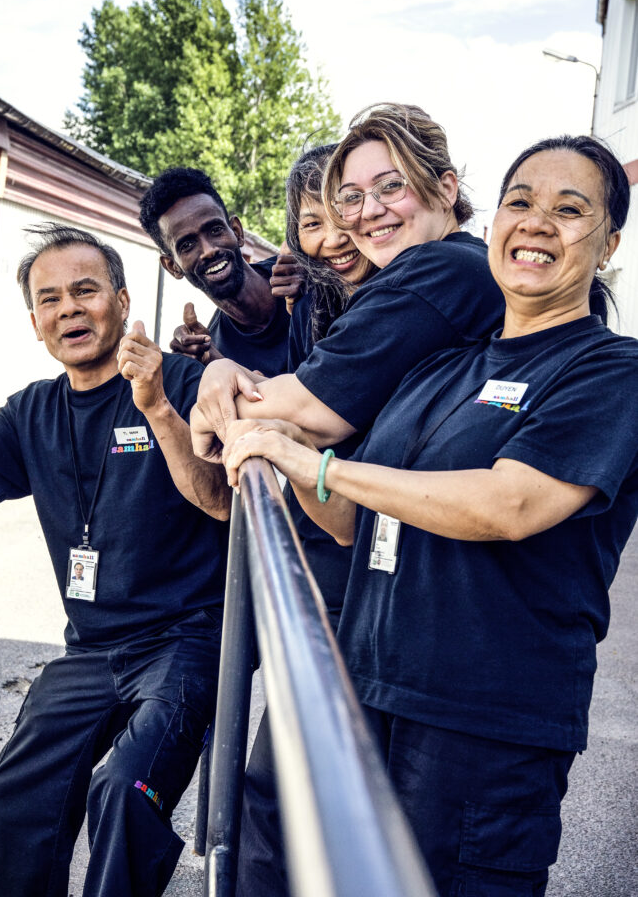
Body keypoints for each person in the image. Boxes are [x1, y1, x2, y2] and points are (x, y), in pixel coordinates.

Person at [222, 135, 638, 897]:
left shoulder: (609, 371)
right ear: (494, 223)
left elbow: (510, 504)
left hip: (480, 726)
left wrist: (321, 466)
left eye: (568, 210)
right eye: (520, 202)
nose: (535, 222)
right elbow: (351, 521)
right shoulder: (443, 366)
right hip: (368, 690)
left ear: (607, 244)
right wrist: (284, 447)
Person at [0, 223, 231, 897]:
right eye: (49, 299)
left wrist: (156, 406)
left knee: (124, 789)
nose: (68, 309)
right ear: (35, 323)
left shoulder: (184, 381)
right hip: (90, 651)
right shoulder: (32, 412)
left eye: (85, 290)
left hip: (185, 642)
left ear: (122, 300)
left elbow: (220, 501)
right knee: (15, 790)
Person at [190, 102, 505, 457]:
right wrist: (224, 371)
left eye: (391, 186)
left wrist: (206, 414)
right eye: (352, 197)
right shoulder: (456, 264)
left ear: (446, 189)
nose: (369, 211)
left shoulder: (434, 271)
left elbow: (314, 407)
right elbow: (315, 385)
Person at [236, 144, 375, 897]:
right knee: (272, 791)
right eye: (311, 221)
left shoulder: (414, 302)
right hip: (322, 561)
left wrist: (226, 388)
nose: (333, 236)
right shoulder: (316, 304)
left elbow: (301, 413)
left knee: (326, 795)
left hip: (375, 568)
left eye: (345, 210)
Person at [139, 166, 294, 375]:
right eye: (187, 245)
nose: (209, 251)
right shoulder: (213, 353)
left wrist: (321, 281)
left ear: (237, 232)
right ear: (172, 266)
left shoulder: (303, 274)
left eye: (215, 230)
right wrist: (214, 365)